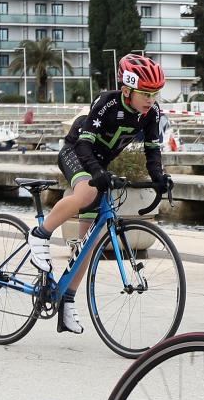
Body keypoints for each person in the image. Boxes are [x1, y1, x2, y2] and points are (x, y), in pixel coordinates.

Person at [26, 55, 174, 334]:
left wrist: (159, 178)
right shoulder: (107, 102)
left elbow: (152, 151)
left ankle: (67, 299)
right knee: (85, 192)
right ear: (127, 89)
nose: (151, 100)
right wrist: (96, 173)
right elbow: (84, 144)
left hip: (99, 166)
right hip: (76, 152)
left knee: (88, 244)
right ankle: (40, 235)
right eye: (146, 93)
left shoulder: (151, 114)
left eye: (155, 94)